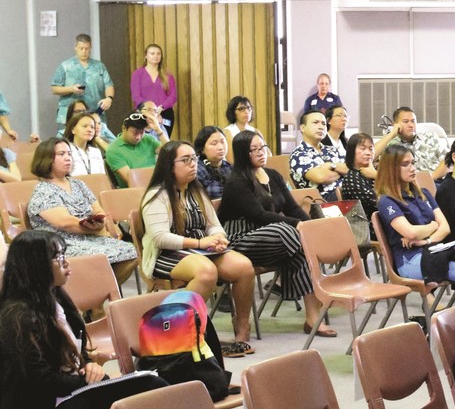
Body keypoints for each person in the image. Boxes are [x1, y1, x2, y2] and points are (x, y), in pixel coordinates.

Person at [0, 231, 170, 409]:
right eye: (58, 257)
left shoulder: (57, 300)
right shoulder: (17, 317)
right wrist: (87, 379)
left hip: (71, 395)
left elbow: (76, 353)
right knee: (151, 389)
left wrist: (89, 366)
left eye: (64, 255)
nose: (66, 263)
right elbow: (42, 381)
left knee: (152, 400)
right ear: (36, 265)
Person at [139, 141, 257, 357]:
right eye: (185, 160)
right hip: (168, 254)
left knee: (244, 267)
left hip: (202, 249)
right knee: (206, 272)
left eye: (194, 158)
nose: (193, 164)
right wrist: (200, 243)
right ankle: (184, 333)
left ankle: (241, 332)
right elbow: (159, 237)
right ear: (169, 165)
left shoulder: (196, 191)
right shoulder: (157, 195)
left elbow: (214, 224)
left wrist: (219, 238)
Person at [218, 132, 334, 338]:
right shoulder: (236, 181)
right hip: (240, 238)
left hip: (271, 237)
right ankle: (311, 289)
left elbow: (292, 208)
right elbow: (259, 215)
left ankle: (312, 318)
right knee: (289, 233)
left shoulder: (273, 175)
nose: (260, 153)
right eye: (253, 150)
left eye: (262, 147)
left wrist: (311, 225)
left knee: (300, 248)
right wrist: (299, 226)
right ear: (242, 154)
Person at [25, 139, 138, 285]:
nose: (68, 158)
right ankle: (97, 298)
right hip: (61, 243)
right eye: (61, 154)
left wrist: (99, 223)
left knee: (132, 251)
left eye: (69, 154)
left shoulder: (78, 184)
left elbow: (97, 209)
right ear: (46, 159)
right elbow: (64, 222)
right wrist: (93, 228)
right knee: (100, 257)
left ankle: (99, 295)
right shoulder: (43, 191)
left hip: (90, 237)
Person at [376, 143, 455, 301]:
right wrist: (433, 226)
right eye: (405, 164)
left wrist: (426, 240)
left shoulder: (423, 193)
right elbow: (411, 232)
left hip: (436, 248)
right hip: (410, 259)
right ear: (391, 169)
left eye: (413, 163)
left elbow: (446, 228)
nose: (412, 168)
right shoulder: (387, 201)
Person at [50, 34, 114, 130]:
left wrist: (109, 98)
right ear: (75, 47)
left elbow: (109, 85)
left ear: (90, 48)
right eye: (81, 48)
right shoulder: (65, 66)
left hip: (95, 114)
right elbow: (54, 89)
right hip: (70, 114)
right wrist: (71, 89)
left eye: (87, 48)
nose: (84, 51)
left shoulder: (99, 66)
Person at [374, 106, 449, 180]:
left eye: (413, 121)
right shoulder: (390, 145)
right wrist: (392, 134)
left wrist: (431, 178)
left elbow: (448, 159)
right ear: (395, 125)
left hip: (436, 181)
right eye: (406, 121)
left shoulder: (431, 138)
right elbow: (372, 156)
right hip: (406, 186)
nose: (411, 125)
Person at [290, 110, 346, 200]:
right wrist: (340, 170)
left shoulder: (332, 149)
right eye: (315, 123)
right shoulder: (299, 154)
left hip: (344, 192)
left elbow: (349, 169)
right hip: (321, 200)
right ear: (302, 128)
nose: (321, 127)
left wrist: (330, 166)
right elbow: (321, 177)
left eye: (323, 124)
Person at [105, 111, 162, 188]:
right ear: (124, 128)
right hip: (137, 192)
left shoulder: (147, 139)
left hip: (158, 186)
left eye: (142, 132)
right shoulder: (113, 150)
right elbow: (132, 180)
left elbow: (171, 154)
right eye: (135, 132)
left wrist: (159, 130)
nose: (138, 137)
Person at [129, 44, 178, 132]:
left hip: (165, 113)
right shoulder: (137, 74)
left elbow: (173, 96)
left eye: (158, 54)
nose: (156, 56)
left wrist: (161, 108)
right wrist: (149, 111)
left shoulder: (168, 75)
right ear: (146, 56)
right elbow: (136, 96)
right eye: (152, 53)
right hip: (144, 113)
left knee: (164, 141)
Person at [339, 133, 378, 221]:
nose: (368, 153)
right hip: (367, 226)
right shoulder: (351, 179)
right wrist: (378, 176)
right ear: (352, 152)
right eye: (363, 148)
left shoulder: (375, 173)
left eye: (371, 148)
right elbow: (378, 203)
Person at [62, 112, 107, 177]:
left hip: (96, 185)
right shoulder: (67, 150)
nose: (89, 130)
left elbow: (103, 177)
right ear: (73, 129)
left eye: (92, 127)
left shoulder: (96, 152)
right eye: (85, 126)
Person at [194, 125, 232, 200]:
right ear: (202, 149)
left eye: (222, 142)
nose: (220, 147)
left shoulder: (230, 168)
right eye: (214, 144)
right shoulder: (197, 170)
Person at [222, 96, 264, 160]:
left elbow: (268, 153)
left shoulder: (256, 131)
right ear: (233, 112)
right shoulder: (228, 132)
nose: (247, 111)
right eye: (241, 109)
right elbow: (231, 160)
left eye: (249, 108)